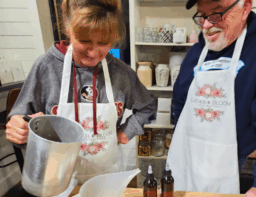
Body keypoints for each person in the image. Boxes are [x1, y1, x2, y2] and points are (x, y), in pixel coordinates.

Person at [5, 0, 155, 184]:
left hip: (106, 176)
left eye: (103, 43)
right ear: (68, 29)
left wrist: (127, 130)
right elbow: (19, 121)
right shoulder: (46, 68)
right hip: (56, 179)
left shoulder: (120, 73)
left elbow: (148, 105)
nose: (93, 53)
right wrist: (18, 129)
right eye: (84, 41)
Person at [167, 0, 256, 196]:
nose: (207, 25)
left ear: (244, 8)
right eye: (202, 15)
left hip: (233, 164)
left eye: (217, 14)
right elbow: (179, 103)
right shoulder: (195, 53)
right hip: (186, 160)